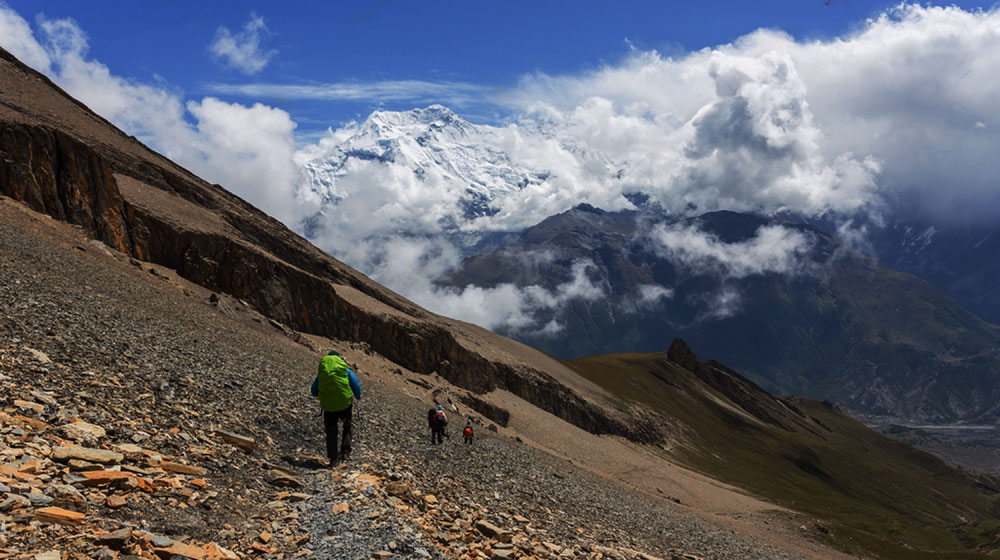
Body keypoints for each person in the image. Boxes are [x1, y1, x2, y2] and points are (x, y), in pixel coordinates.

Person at [310, 350, 361, 467]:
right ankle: (345, 452)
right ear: (338, 359)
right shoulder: (345, 370)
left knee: (331, 431)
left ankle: (333, 458)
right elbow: (355, 384)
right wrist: (358, 396)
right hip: (344, 404)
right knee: (347, 426)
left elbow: (313, 391)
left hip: (328, 407)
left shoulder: (323, 373)